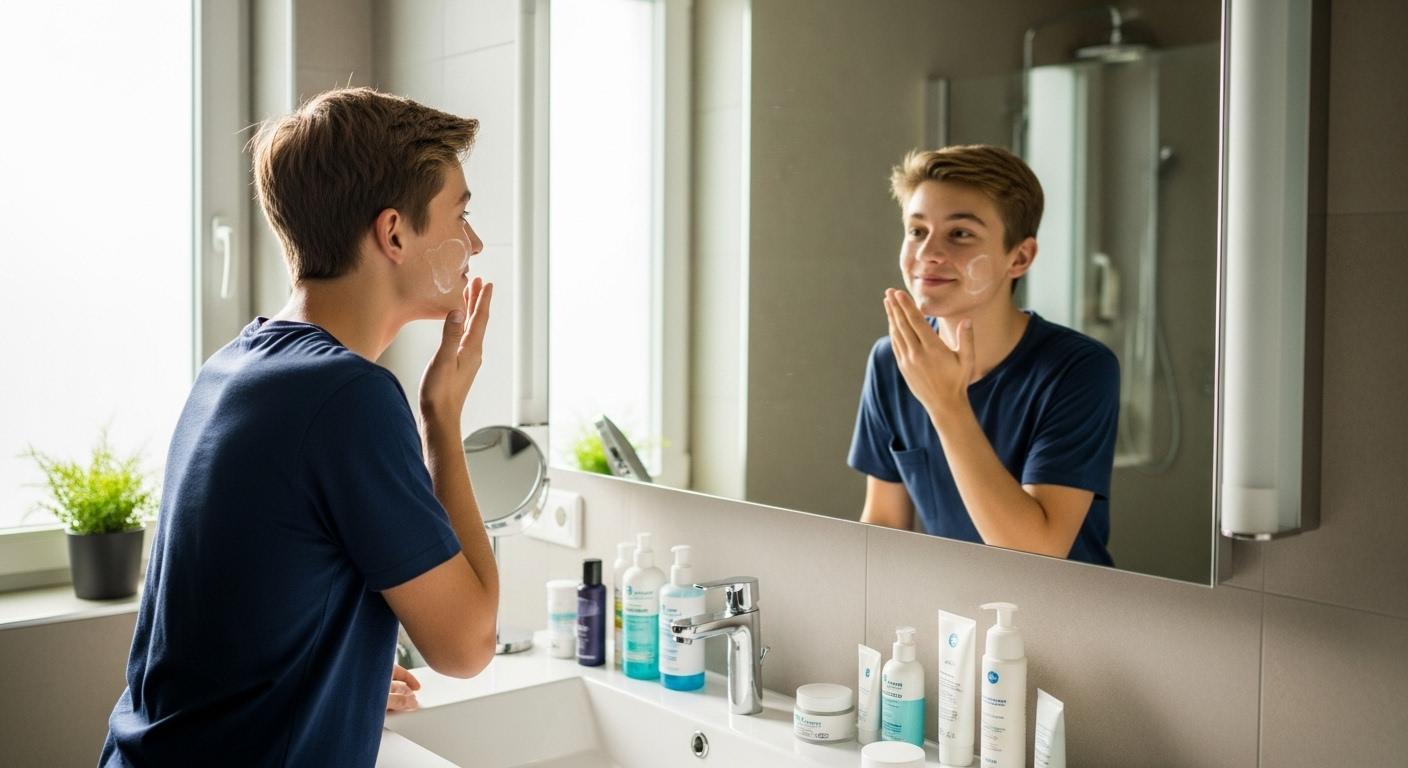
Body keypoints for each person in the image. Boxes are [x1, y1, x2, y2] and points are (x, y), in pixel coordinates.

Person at [102, 88, 501, 765]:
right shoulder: (350, 398)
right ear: (395, 232)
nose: (474, 243)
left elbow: (244, 609)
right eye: (460, 215)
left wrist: (337, 679)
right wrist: (442, 419)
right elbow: (467, 647)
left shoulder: (235, 367)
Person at [848, 145, 1120, 565]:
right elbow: (884, 523)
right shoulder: (892, 361)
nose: (927, 254)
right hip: (955, 618)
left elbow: (1038, 552)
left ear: (1020, 257)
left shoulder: (1078, 369)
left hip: (1067, 617)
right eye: (917, 230)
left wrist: (946, 405)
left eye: (960, 234)